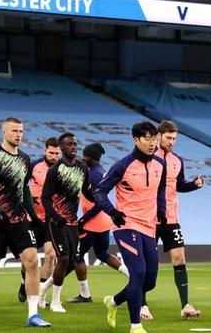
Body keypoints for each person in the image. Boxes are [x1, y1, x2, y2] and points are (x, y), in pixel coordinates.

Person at [0, 117, 50, 327]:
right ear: (3, 133)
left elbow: (24, 189)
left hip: (19, 220)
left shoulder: (24, 159)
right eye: (14, 131)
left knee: (32, 261)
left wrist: (34, 215)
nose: (19, 134)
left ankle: (33, 314)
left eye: (21, 131)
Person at [95, 121, 166, 333]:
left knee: (149, 280)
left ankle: (114, 301)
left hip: (149, 226)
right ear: (136, 140)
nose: (152, 142)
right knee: (138, 273)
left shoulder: (159, 165)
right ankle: (136, 325)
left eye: (154, 138)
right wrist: (113, 212)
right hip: (126, 225)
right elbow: (99, 191)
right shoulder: (122, 165)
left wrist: (161, 211)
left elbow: (161, 190)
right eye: (147, 138)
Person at [140, 120, 203, 320]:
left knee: (179, 258)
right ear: (158, 136)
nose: (171, 142)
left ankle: (185, 305)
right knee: (147, 265)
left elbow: (179, 185)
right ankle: (142, 304)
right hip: (149, 217)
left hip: (171, 217)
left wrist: (194, 185)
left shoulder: (177, 160)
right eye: (168, 138)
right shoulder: (148, 158)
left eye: (174, 138)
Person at [39, 132, 94, 313]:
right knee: (62, 258)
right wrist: (55, 216)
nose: (74, 147)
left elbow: (87, 191)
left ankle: (42, 290)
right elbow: (45, 198)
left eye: (75, 144)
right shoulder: (55, 170)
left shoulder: (82, 168)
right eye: (69, 144)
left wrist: (102, 202)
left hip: (72, 222)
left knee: (71, 262)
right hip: (56, 222)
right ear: (61, 148)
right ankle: (55, 302)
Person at [68, 142, 129, 304]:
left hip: (93, 223)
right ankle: (133, 275)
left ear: (91, 158)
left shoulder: (93, 175)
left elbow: (98, 203)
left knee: (77, 256)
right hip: (104, 222)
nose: (82, 157)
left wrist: (83, 220)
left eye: (85, 155)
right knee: (102, 253)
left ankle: (85, 294)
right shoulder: (100, 171)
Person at [18, 137, 59, 305]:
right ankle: (23, 283)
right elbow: (20, 186)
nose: (54, 156)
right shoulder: (33, 166)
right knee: (29, 258)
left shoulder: (63, 169)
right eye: (51, 152)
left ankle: (40, 295)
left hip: (50, 220)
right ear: (45, 150)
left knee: (51, 254)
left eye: (57, 153)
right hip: (32, 219)